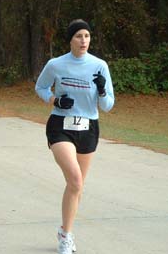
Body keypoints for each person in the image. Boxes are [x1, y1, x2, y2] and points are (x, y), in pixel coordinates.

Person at [35, 19, 114, 254]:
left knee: (76, 187)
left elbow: (108, 105)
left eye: (87, 36)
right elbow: (40, 87)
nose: (83, 41)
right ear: (70, 39)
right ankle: (66, 237)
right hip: (60, 125)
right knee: (76, 180)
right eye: (79, 36)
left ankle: (63, 229)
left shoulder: (100, 66)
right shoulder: (56, 64)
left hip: (88, 127)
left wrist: (101, 89)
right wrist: (55, 100)